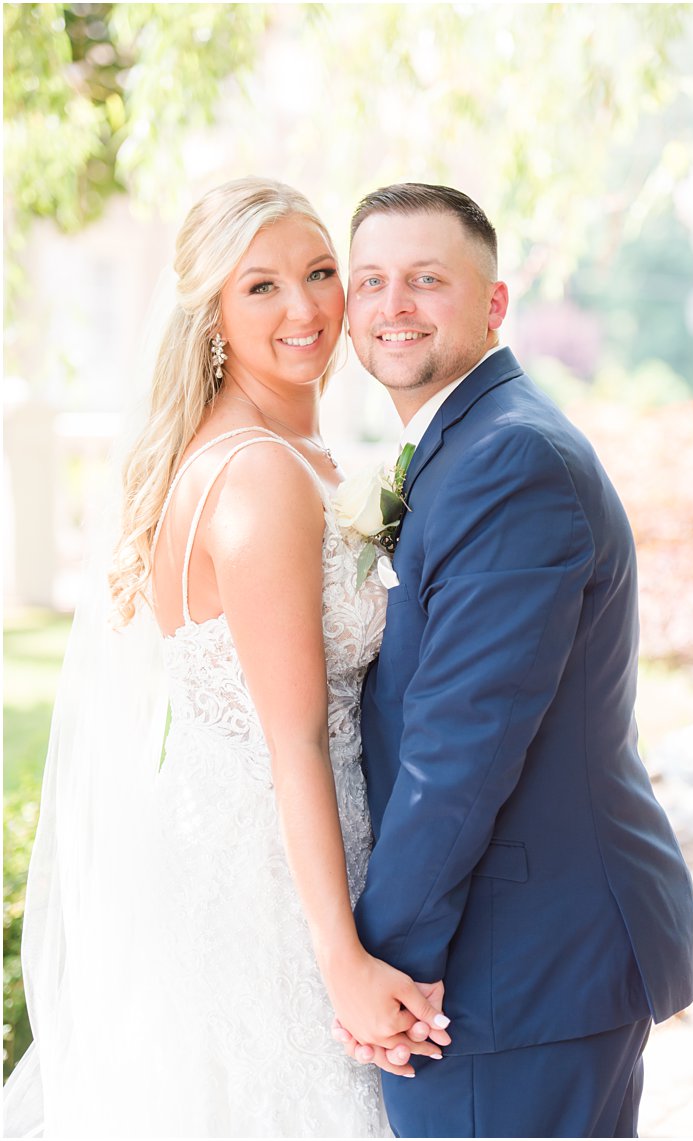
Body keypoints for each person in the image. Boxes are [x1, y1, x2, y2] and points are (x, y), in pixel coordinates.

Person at [7, 177, 446, 1137]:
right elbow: (292, 739)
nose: (307, 308)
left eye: (322, 273)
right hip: (273, 897)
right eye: (262, 287)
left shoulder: (266, 452)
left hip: (241, 847)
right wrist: (341, 963)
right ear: (212, 313)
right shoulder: (257, 477)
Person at [332, 183, 693, 1138]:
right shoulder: (466, 444)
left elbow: (461, 748)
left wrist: (384, 970)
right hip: (519, 965)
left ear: (495, 304)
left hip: (508, 969)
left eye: (426, 279)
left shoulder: (511, 463)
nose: (393, 306)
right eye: (370, 281)